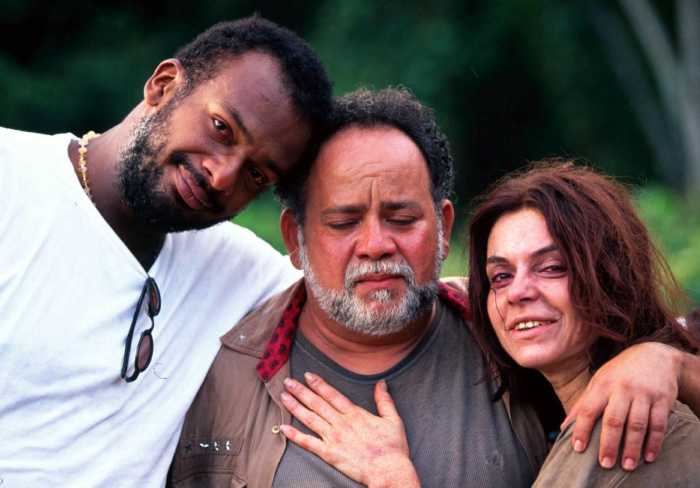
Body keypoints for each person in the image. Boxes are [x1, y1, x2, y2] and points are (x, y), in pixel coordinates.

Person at [169, 89, 700, 488]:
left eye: (402, 219)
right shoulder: (208, 373)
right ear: (294, 237)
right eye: (344, 222)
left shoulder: (603, 401)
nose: (375, 245)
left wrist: (664, 361)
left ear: (444, 227)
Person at [0, 16, 331, 486]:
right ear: (163, 85)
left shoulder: (239, 272)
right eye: (221, 128)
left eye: (257, 174)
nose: (223, 175)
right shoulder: (12, 179)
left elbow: (381, 287)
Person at [467, 162, 700, 486]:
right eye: (501, 276)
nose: (517, 293)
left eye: (551, 267)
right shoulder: (544, 427)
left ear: (612, 277)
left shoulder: (628, 425)